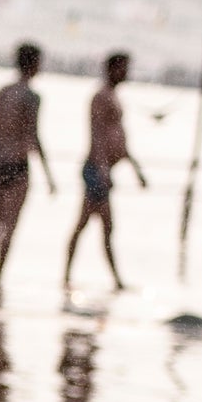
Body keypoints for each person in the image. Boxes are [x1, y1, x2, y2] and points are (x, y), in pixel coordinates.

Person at [0, 42, 55, 306]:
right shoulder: (31, 97)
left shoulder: (1, 93)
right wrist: (48, 175)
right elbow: (33, 136)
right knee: (10, 224)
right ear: (33, 64)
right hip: (18, 166)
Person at [64, 52, 147, 292]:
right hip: (96, 171)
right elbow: (97, 135)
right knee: (90, 226)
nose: (126, 73)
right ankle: (80, 278)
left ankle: (111, 280)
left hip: (104, 170)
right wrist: (102, 170)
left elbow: (119, 138)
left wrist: (135, 169)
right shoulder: (101, 97)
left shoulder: (112, 97)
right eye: (123, 68)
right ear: (112, 69)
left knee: (100, 227)